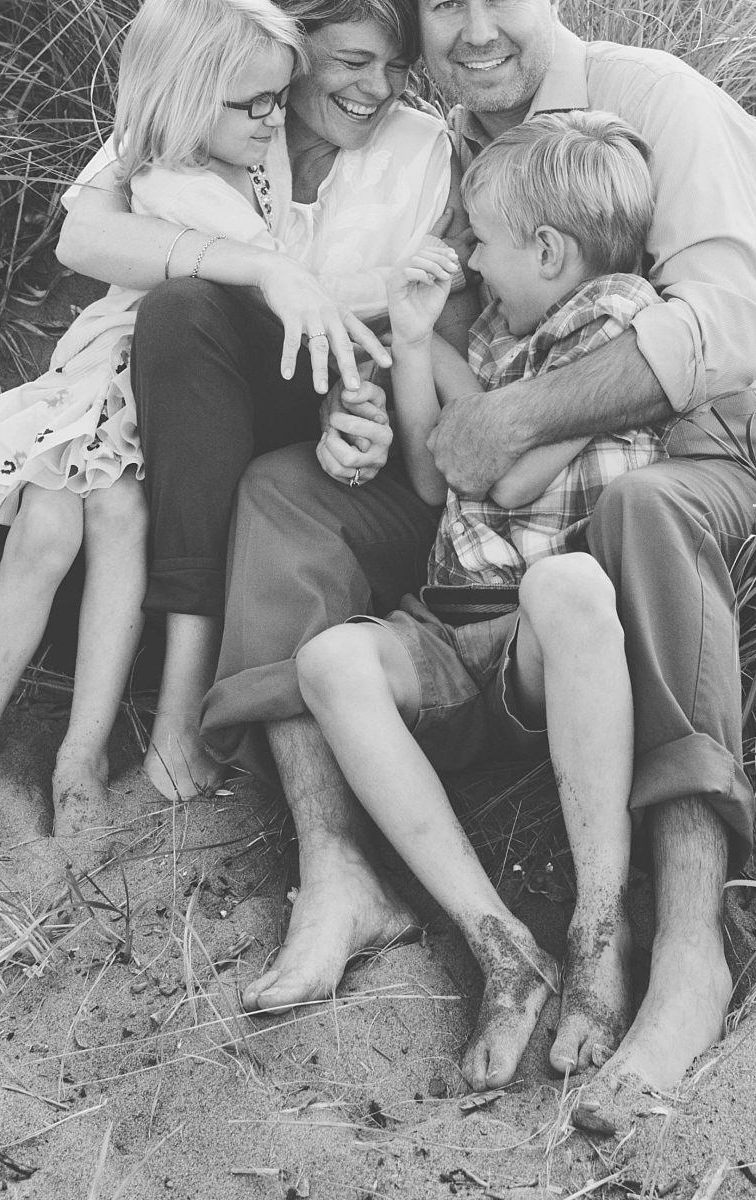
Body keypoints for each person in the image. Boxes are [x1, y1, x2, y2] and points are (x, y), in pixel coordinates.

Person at [198, 0, 756, 1133]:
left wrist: (522, 418)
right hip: (488, 508)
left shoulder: (656, 102)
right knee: (285, 494)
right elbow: (437, 356)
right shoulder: (449, 150)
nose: (476, 31)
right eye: (446, 5)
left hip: (695, 441)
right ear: (418, 21)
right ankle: (335, 861)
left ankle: (683, 943)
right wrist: (365, 409)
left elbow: (731, 326)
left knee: (637, 514)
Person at [0, 0, 469, 801]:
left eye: (397, 66)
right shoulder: (209, 96)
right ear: (289, 40)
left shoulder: (413, 152)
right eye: (352, 61)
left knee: (184, 311)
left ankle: (184, 687)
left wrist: (359, 401)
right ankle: (192, 634)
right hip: (166, 422)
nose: (378, 89)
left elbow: (414, 320)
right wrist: (261, 268)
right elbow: (85, 234)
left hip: (291, 424)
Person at [298, 113, 665, 1091]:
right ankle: (499, 943)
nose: (469, 259)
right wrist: (415, 340)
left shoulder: (617, 316)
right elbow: (434, 476)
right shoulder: (502, 336)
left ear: (546, 250)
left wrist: (459, 385)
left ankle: (598, 925)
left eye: (483, 241)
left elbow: (499, 474)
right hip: (450, 619)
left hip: (546, 634)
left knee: (566, 580)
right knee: (329, 659)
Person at [0, 0, 320, 836]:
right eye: (254, 103)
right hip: (110, 377)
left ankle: (79, 755)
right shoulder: (168, 171)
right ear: (187, 98)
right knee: (49, 532)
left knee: (112, 524)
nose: (273, 117)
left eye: (280, 98)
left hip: (161, 386)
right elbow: (254, 261)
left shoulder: (248, 152)